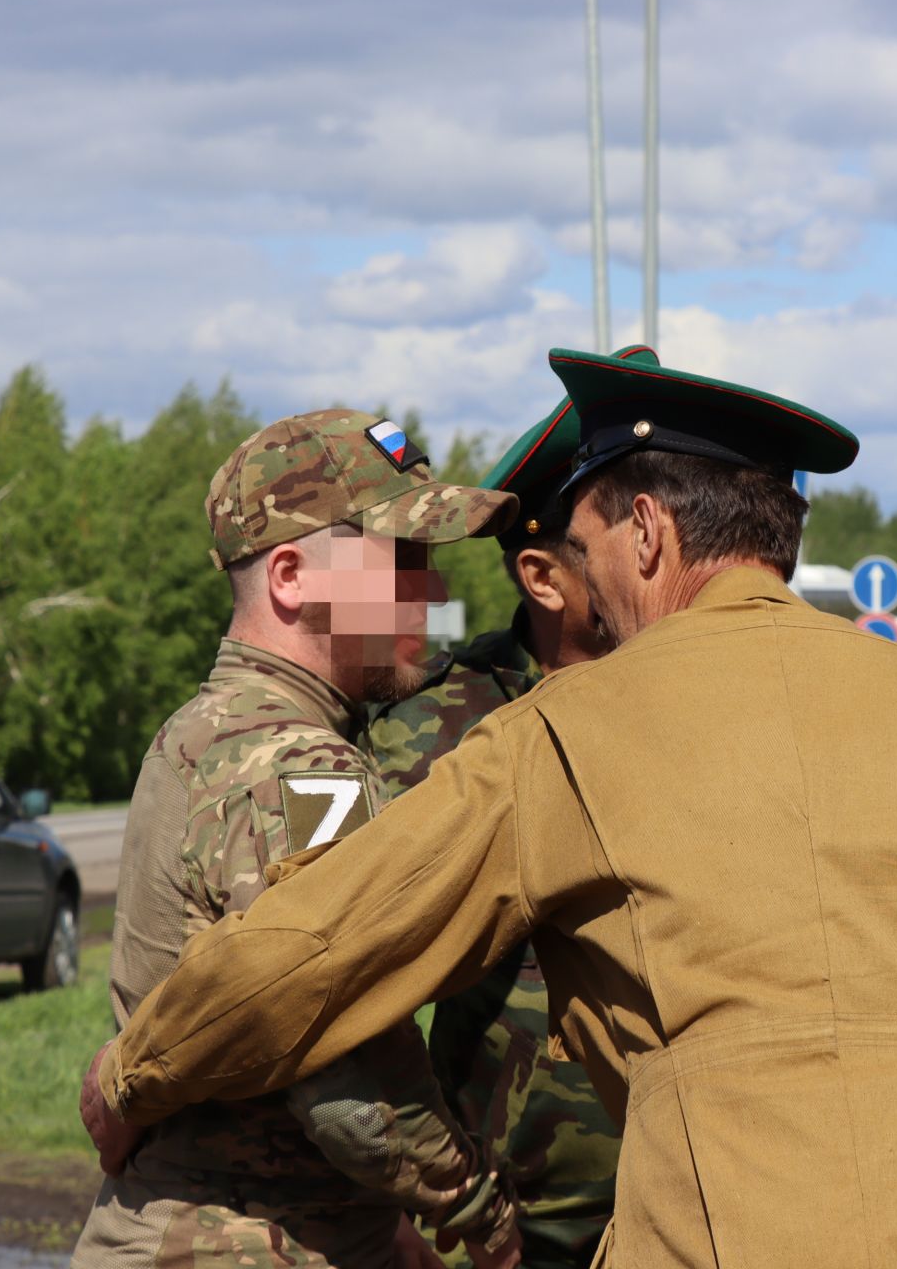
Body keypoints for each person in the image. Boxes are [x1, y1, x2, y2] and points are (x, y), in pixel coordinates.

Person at [80, 346, 897, 1269]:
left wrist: (135, 1070)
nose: (587, 597)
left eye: (584, 550)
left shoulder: (566, 730)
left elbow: (308, 951)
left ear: (650, 535)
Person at [72, 408, 523, 1269]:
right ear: (291, 577)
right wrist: (478, 1211)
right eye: (402, 561)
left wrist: (383, 1231)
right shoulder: (304, 766)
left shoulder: (199, 731)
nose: (430, 592)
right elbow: (345, 1069)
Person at [366, 350, 651, 1267]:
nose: (657, 545)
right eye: (626, 526)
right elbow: (355, 991)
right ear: (545, 576)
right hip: (519, 1232)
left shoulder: (714, 699)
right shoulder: (434, 730)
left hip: (703, 1207)